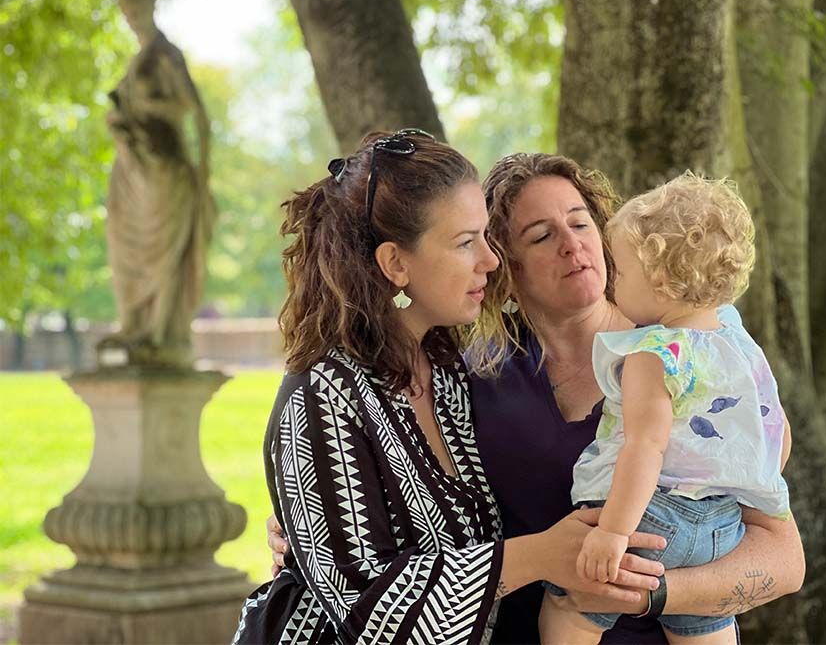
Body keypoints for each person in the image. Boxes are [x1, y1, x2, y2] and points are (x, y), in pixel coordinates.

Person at [268, 152, 806, 644]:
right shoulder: (471, 376)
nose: (573, 245)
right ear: (509, 263)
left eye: (580, 222)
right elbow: (403, 518)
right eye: (541, 235)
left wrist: (651, 596)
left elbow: (784, 557)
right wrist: (310, 520)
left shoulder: (695, 359)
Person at [236, 132, 663, 645]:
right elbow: (367, 616)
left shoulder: (451, 376)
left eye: (487, 237)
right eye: (465, 243)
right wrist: (539, 555)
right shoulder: (322, 395)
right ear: (396, 264)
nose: (490, 260)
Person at [537, 173, 792, 645]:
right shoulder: (735, 337)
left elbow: (645, 447)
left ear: (660, 281)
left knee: (570, 607)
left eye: (622, 272)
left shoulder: (654, 352)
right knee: (706, 625)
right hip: (721, 529)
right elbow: (773, 427)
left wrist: (613, 533)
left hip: (649, 522)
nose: (612, 282)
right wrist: (748, 483)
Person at [99, 0, 215, 368]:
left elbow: (197, 115)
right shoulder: (137, 60)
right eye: (125, 12)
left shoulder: (166, 54)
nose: (131, 18)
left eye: (136, 10)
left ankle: (161, 333)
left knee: (166, 250)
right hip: (133, 169)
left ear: (150, 7)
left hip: (165, 167)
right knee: (122, 244)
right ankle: (135, 325)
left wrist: (204, 174)